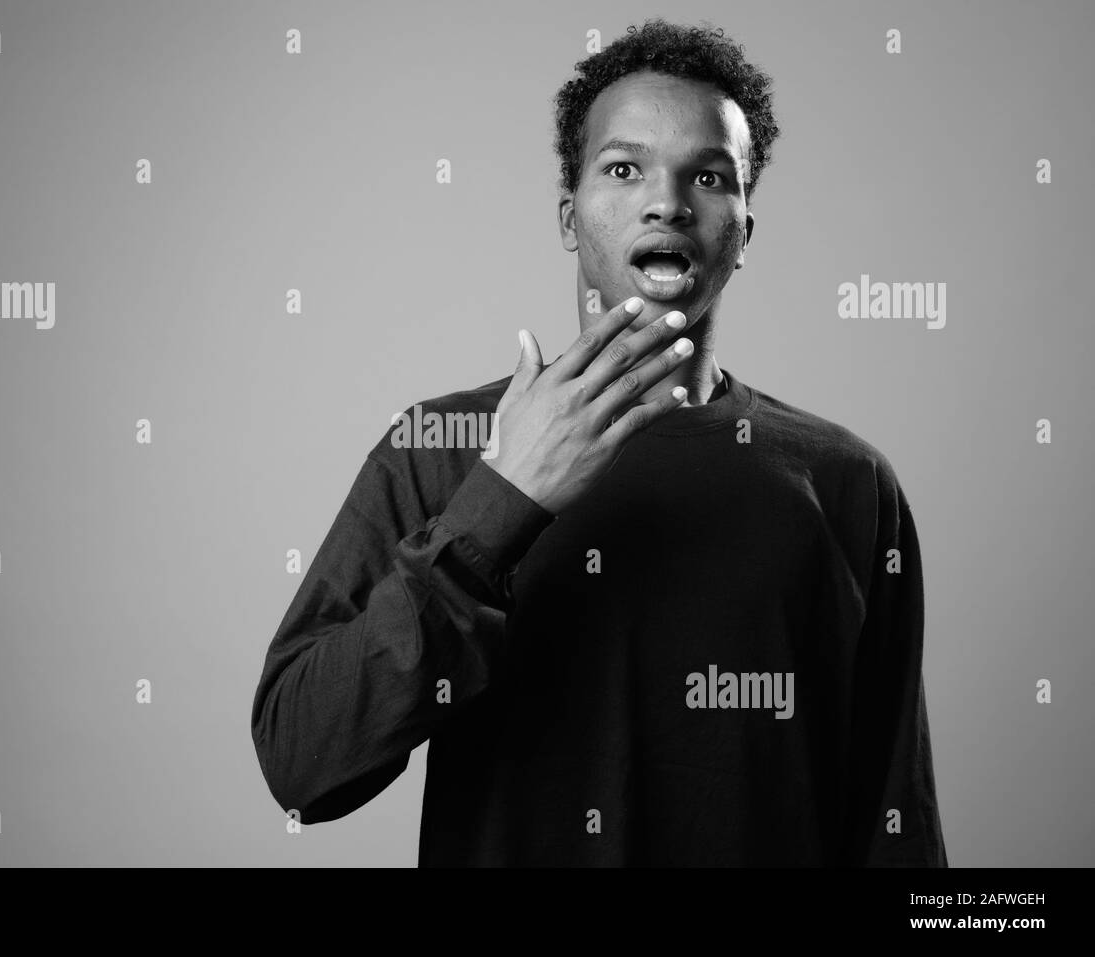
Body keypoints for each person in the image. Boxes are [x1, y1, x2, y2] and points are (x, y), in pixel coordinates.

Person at [250, 18, 949, 867]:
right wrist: (499, 504)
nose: (668, 202)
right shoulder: (442, 449)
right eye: (624, 169)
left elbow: (894, 824)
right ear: (569, 217)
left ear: (743, 233)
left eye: (709, 175)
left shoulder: (848, 483)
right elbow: (301, 763)